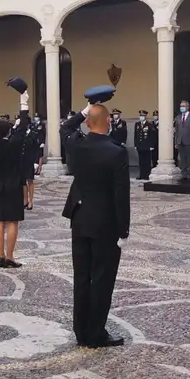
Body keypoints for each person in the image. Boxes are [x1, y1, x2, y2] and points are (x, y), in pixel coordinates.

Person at [61, 100, 130, 348]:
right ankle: (96, 333)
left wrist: (83, 110)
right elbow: (121, 195)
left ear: (88, 123)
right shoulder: (117, 151)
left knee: (81, 277)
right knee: (101, 279)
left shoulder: (78, 145)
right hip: (105, 224)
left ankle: (81, 331)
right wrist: (123, 230)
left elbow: (65, 128)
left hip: (80, 219)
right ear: (109, 122)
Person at [0, 99, 30, 268]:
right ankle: (10, 256)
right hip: (14, 184)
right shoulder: (15, 144)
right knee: (12, 222)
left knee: (0, 221)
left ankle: (1, 255)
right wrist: (24, 102)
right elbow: (24, 125)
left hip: (0, 184)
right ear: (9, 130)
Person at [175, 100, 190, 184]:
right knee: (182, 159)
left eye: (184, 106)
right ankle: (183, 175)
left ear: (188, 107)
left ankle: (189, 175)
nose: (182, 107)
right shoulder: (178, 117)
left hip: (189, 141)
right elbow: (177, 130)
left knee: (189, 159)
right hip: (180, 141)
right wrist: (176, 142)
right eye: (181, 106)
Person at [134, 110, 153, 181]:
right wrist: (135, 144)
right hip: (140, 145)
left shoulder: (149, 124)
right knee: (141, 161)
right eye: (140, 116)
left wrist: (151, 145)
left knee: (147, 161)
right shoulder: (137, 124)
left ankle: (147, 175)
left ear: (145, 116)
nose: (141, 117)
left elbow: (151, 136)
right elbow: (136, 135)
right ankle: (141, 175)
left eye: (142, 116)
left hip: (147, 146)